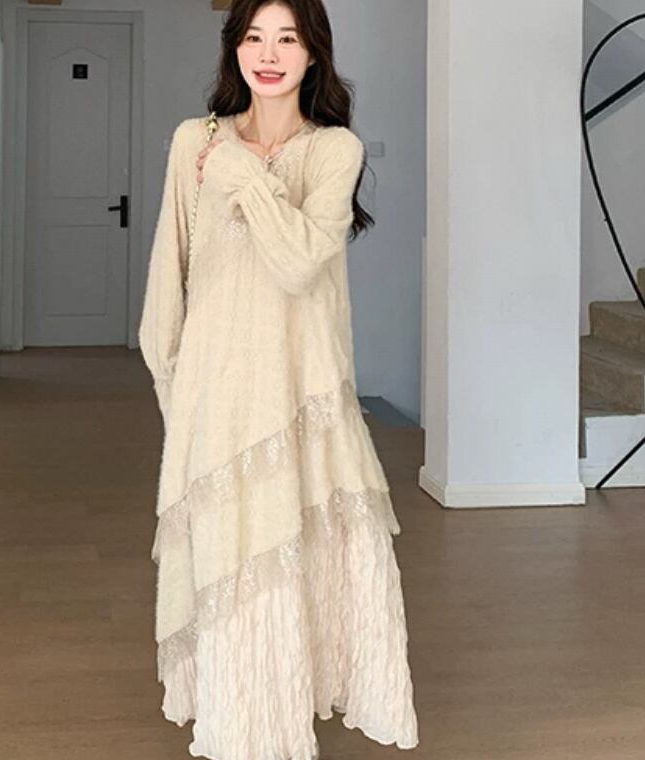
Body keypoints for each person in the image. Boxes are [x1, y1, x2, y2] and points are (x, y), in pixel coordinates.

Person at [138, 1, 419, 757]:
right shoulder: (192, 143)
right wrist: (176, 391)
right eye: (254, 37)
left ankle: (294, 698)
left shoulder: (334, 151)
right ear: (234, 49)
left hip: (304, 390)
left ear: (313, 52)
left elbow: (298, 264)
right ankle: (241, 718)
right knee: (232, 555)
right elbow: (170, 276)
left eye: (287, 38)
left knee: (304, 549)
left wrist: (242, 174)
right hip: (216, 391)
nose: (268, 54)